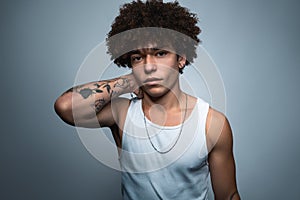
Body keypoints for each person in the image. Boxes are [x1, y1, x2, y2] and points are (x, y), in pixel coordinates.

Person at [54, 0, 240, 199]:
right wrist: (130, 81)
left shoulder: (211, 124)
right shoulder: (122, 113)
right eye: (138, 57)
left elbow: (228, 195)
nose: (149, 66)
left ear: (181, 58)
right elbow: (65, 106)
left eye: (160, 53)